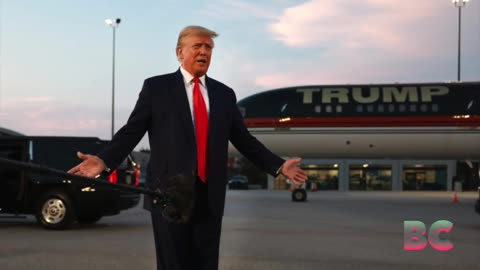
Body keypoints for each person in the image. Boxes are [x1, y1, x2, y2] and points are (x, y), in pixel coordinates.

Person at [68, 25, 307, 270]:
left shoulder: (224, 94)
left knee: (206, 264)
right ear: (180, 52)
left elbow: (244, 140)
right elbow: (132, 131)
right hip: (169, 193)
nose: (204, 51)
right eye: (198, 46)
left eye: (209, 47)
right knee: (173, 264)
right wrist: (104, 160)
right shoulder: (156, 88)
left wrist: (278, 165)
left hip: (210, 195)